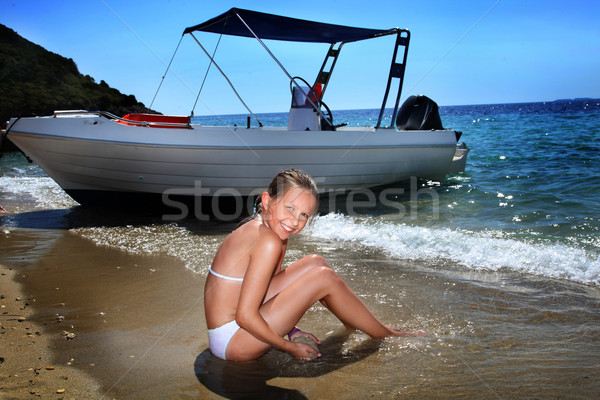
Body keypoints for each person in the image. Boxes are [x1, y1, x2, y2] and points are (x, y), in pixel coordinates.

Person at [204, 169, 425, 362]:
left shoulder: (267, 229)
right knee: (323, 278)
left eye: (304, 215)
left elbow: (266, 291)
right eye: (290, 208)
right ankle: (384, 334)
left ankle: (357, 323)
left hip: (230, 330)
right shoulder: (268, 241)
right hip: (233, 342)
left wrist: (293, 330)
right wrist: (289, 346)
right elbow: (245, 315)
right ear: (267, 200)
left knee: (315, 263)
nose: (294, 221)